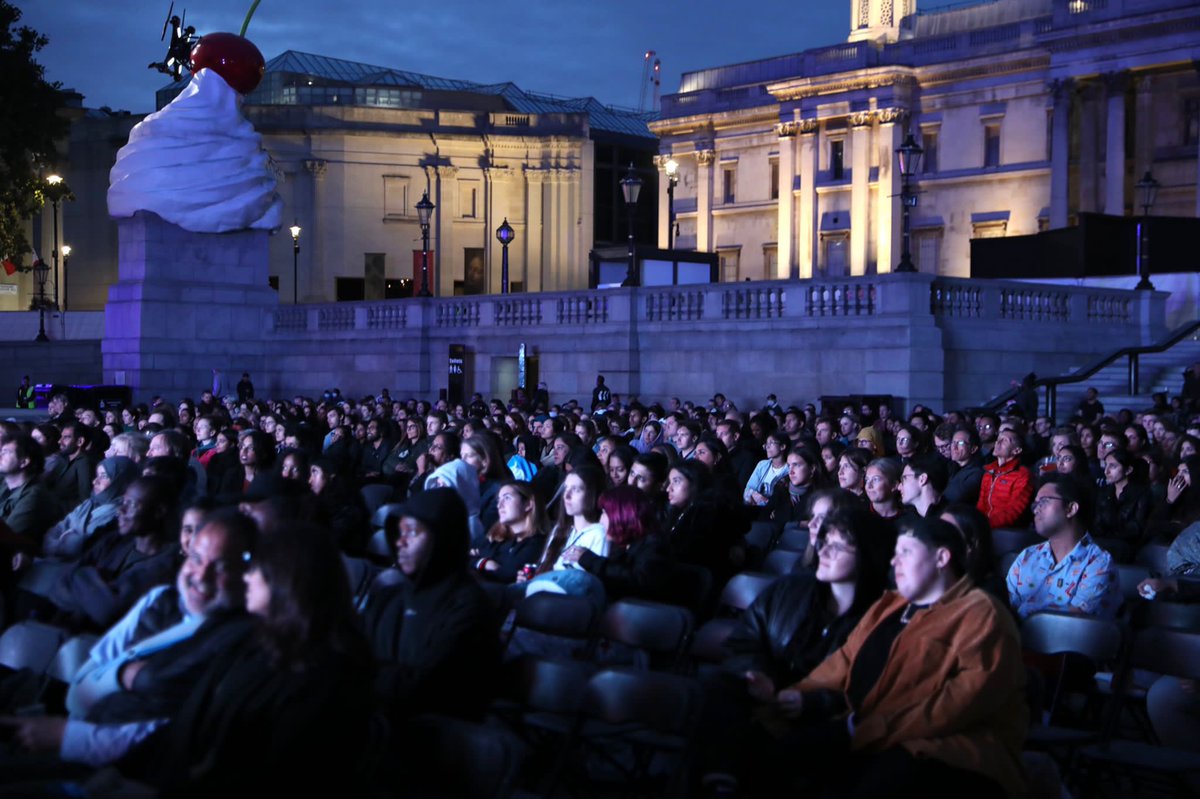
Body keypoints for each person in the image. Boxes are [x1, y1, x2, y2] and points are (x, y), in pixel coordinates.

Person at [749, 516, 1027, 799]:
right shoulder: (890, 604)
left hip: (948, 749)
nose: (895, 562)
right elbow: (841, 663)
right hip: (870, 730)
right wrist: (791, 696)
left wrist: (864, 730)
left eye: (906, 552)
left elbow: (956, 706)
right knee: (768, 751)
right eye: (895, 554)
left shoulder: (983, 615)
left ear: (942, 557)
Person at [146, 522, 373, 797]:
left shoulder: (327, 678)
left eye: (255, 568)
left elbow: (271, 775)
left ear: (285, 578)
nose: (247, 577)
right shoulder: (255, 641)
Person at [364, 487, 499, 722]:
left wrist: (364, 677)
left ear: (442, 538)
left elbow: (424, 686)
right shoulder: (388, 597)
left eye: (413, 532)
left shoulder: (469, 606)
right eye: (399, 532)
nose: (400, 543)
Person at [1006, 473, 1119, 620]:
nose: (1036, 510)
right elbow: (1006, 608)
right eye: (1035, 504)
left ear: (1071, 509)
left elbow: (1073, 625)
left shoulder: (1098, 564)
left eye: (1044, 501)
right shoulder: (1027, 556)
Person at [564, 483, 672, 601]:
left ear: (622, 514)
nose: (600, 520)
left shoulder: (654, 544)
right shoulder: (626, 545)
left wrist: (590, 560)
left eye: (605, 513)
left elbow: (637, 581)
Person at [471, 481, 548, 583]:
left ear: (528, 504)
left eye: (507, 498)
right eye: (499, 500)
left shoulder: (537, 543)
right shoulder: (497, 536)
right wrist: (484, 562)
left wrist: (478, 560)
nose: (499, 505)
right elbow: (462, 557)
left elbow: (506, 575)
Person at [977, 428, 1033, 529]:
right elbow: (981, 505)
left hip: (1007, 531)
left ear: (1017, 450)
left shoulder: (1022, 474)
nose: (998, 442)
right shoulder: (989, 472)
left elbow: (1014, 511)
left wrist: (984, 525)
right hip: (984, 528)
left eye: (1005, 440)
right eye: (998, 439)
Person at [743, 431, 790, 507]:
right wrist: (752, 494)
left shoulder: (789, 469)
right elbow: (748, 489)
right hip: (754, 507)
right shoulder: (762, 464)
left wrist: (765, 500)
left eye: (771, 443)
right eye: (766, 444)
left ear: (782, 446)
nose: (767, 447)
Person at [899, 453, 949, 520]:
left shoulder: (951, 518)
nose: (899, 487)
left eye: (904, 478)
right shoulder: (906, 521)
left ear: (922, 479)